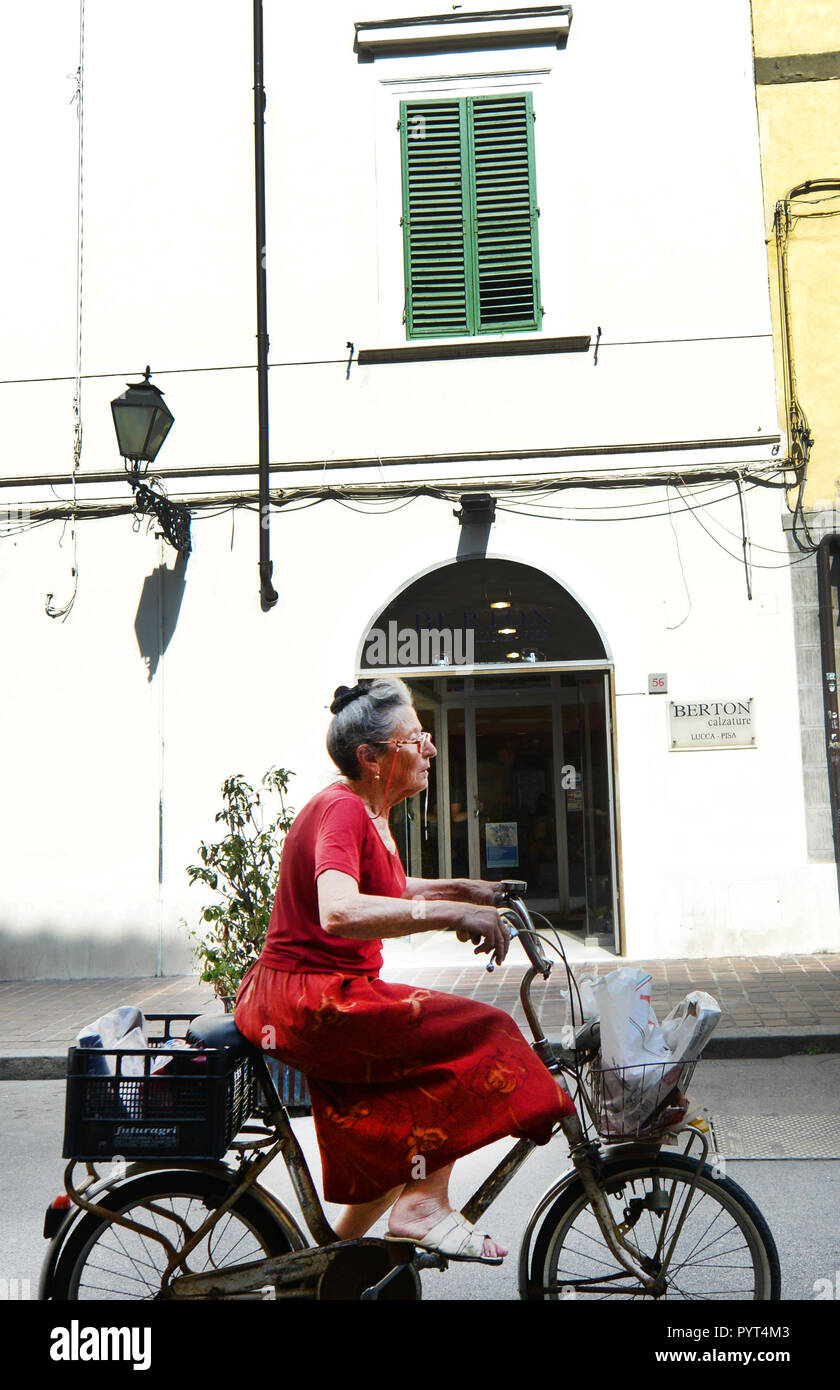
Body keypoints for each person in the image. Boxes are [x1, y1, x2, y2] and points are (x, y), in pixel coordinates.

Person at [234, 676, 575, 1263]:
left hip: (323, 994)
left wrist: (467, 889)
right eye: (415, 739)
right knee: (479, 1032)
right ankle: (423, 1207)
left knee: (393, 1152)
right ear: (370, 757)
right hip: (310, 998)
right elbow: (339, 909)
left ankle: (322, 1275)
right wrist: (450, 913)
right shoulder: (342, 809)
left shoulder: (367, 813)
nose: (431, 750)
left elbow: (388, 888)